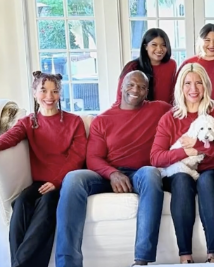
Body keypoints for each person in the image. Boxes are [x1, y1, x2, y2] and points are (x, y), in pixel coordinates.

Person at [55, 71, 172, 267]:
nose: (136, 90)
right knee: (73, 179)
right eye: (131, 85)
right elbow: (93, 157)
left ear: (147, 92)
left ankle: (141, 261)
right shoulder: (103, 119)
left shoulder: (160, 109)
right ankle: (67, 263)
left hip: (139, 174)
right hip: (106, 174)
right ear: (122, 86)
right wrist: (112, 173)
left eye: (142, 87)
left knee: (152, 174)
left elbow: (187, 111)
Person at [0, 71, 87, 267]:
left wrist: (56, 182)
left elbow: (77, 157)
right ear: (34, 92)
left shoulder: (75, 122)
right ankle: (18, 262)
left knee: (48, 203)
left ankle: (19, 264)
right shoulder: (28, 122)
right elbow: (9, 138)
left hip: (64, 183)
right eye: (43, 90)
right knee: (20, 203)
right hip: (39, 182)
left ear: (60, 93)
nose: (49, 97)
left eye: (55, 91)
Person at [150, 63, 214, 263]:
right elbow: (156, 157)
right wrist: (186, 151)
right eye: (187, 83)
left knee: (206, 180)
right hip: (182, 173)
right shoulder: (170, 118)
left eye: (199, 83)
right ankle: (185, 256)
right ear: (180, 87)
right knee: (181, 180)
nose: (193, 89)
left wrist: (199, 147)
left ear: (206, 85)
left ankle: (213, 255)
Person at [114, 28, 177, 105]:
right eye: (154, 45)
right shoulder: (132, 67)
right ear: (146, 46)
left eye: (163, 45)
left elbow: (174, 94)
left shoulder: (171, 65)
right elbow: (120, 98)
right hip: (140, 114)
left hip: (166, 112)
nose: (159, 49)